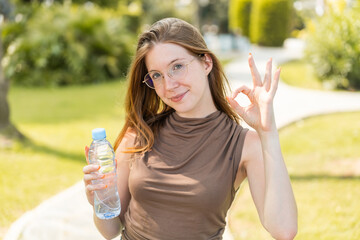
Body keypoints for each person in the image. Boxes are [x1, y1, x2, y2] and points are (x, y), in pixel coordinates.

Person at [83, 17, 298, 240]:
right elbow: (110, 231)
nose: (169, 85)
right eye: (157, 75)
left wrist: (268, 132)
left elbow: (283, 230)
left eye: (177, 67)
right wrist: (99, 199)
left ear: (206, 63)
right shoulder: (140, 134)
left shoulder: (244, 145)